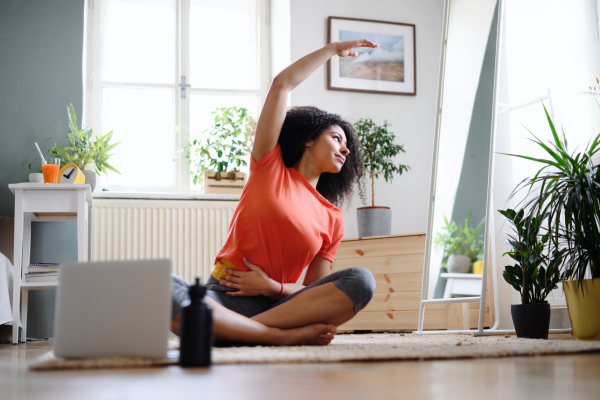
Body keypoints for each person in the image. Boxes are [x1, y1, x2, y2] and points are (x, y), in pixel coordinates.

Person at [171, 39, 380, 346]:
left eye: (346, 144)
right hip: (225, 297)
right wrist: (332, 50)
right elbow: (281, 84)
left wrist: (272, 287)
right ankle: (268, 337)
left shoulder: (331, 217)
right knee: (165, 285)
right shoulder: (269, 166)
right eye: (336, 138)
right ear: (309, 139)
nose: (345, 148)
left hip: (283, 309)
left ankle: (233, 332)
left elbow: (313, 290)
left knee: (362, 281)